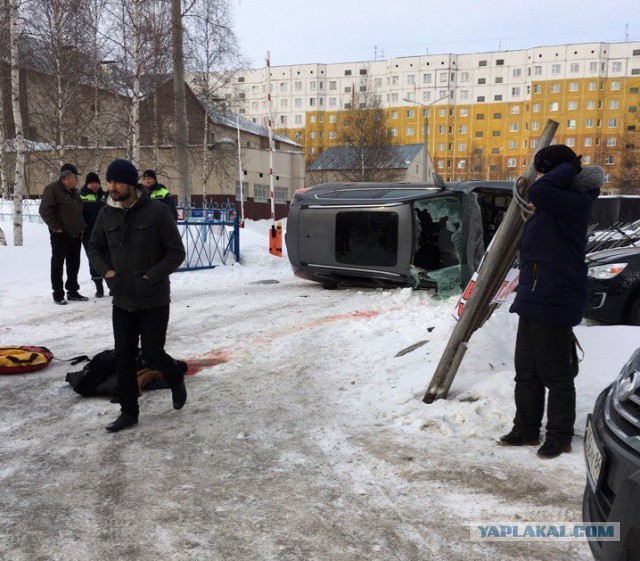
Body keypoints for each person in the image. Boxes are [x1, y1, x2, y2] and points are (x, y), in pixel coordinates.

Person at [499, 145, 602, 459]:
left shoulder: (573, 201)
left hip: (556, 296)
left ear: (564, 173)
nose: (539, 176)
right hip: (534, 294)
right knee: (526, 370)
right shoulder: (553, 201)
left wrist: (567, 166)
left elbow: (542, 188)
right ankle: (526, 428)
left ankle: (558, 436)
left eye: (545, 170)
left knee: (556, 374)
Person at [89, 159, 187, 432]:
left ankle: (176, 376)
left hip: (153, 298)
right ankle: (129, 413)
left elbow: (176, 252)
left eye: (117, 182)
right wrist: (106, 271)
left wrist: (151, 276)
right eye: (109, 182)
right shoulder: (106, 213)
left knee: (154, 355)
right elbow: (94, 246)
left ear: (131, 183)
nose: (112, 187)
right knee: (124, 356)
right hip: (122, 299)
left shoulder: (156, 212)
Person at [39, 163, 88, 305]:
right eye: (75, 177)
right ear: (66, 177)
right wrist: (56, 227)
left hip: (75, 233)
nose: (77, 180)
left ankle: (72, 291)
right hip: (60, 234)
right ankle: (58, 294)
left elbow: (78, 211)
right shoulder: (52, 189)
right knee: (58, 263)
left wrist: (82, 227)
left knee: (74, 263)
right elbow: (44, 210)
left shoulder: (74, 192)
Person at [80, 172, 107, 297]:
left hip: (105, 234)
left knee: (109, 259)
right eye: (92, 183)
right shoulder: (81, 196)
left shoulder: (105, 196)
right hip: (89, 235)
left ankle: (112, 285)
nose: (95, 185)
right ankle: (99, 287)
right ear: (87, 184)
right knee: (94, 261)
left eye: (97, 183)